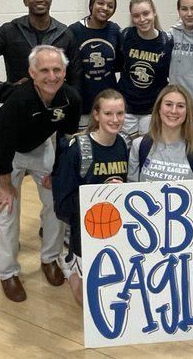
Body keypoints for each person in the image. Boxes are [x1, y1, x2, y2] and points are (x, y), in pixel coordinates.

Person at [0, 45, 81, 302]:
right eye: (44, 70)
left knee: (56, 200)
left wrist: (57, 173)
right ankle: (8, 272)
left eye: (57, 70)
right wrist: (6, 186)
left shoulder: (71, 98)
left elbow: (66, 139)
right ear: (32, 73)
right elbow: (2, 149)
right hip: (4, 149)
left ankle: (50, 258)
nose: (52, 76)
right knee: (6, 207)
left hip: (39, 146)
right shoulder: (19, 100)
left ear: (65, 71)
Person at [52, 89, 130, 306]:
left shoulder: (124, 144)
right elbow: (62, 206)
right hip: (85, 231)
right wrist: (99, 196)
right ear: (96, 114)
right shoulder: (77, 150)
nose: (115, 120)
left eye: (120, 113)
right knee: (85, 302)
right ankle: (70, 269)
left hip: (115, 230)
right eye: (108, 114)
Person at [0, 0, 81, 102]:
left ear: (50, 0)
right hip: (18, 103)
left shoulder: (65, 34)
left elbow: (75, 76)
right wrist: (0, 89)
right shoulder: (9, 30)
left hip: (55, 105)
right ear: (25, 1)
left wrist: (71, 102)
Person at [128, 84, 193, 182]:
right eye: (168, 104)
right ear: (159, 108)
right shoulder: (139, 145)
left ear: (187, 112)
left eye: (180, 106)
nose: (174, 111)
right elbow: (131, 188)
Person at [118, 0, 173, 139]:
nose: (142, 19)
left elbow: (168, 75)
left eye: (146, 13)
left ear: (154, 13)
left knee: (146, 148)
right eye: (136, 16)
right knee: (126, 147)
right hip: (127, 107)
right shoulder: (125, 36)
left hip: (151, 109)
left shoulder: (166, 42)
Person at [68, 0, 122, 130]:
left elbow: (120, 63)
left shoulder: (115, 30)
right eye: (100, 3)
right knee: (84, 142)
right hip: (83, 102)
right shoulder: (74, 30)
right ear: (91, 5)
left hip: (108, 101)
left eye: (110, 6)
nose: (105, 8)